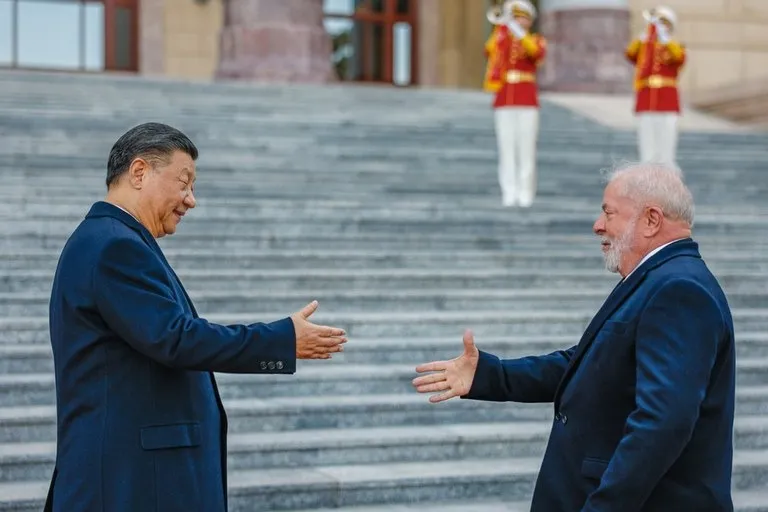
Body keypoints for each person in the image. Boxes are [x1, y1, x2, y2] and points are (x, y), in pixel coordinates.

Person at [45, 122, 348, 512]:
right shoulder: (113, 246)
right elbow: (176, 338)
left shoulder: (114, 240)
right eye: (184, 182)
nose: (191, 200)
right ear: (139, 173)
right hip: (130, 481)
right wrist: (281, 340)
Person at [413, 162, 735, 511]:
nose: (598, 225)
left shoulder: (679, 289)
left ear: (651, 220)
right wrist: (492, 375)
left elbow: (662, 424)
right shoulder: (661, 279)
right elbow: (589, 363)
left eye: (609, 213)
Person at [483, 0, 546, 208]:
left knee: (526, 148)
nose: (518, 20)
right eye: (515, 16)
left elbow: (536, 53)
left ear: (529, 20)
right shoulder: (503, 40)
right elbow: (488, 50)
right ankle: (508, 191)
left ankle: (526, 192)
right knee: (506, 148)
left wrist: (518, 32)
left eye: (521, 17)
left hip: (527, 99)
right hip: (504, 98)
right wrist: (501, 27)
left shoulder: (535, 39)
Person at [625, 6, 686, 166]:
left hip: (667, 99)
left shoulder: (675, 46)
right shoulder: (645, 47)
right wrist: (643, 37)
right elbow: (630, 54)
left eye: (664, 23)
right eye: (659, 23)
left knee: (667, 136)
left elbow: (679, 58)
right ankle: (647, 164)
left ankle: (667, 165)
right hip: (647, 98)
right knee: (647, 136)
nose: (660, 26)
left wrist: (665, 38)